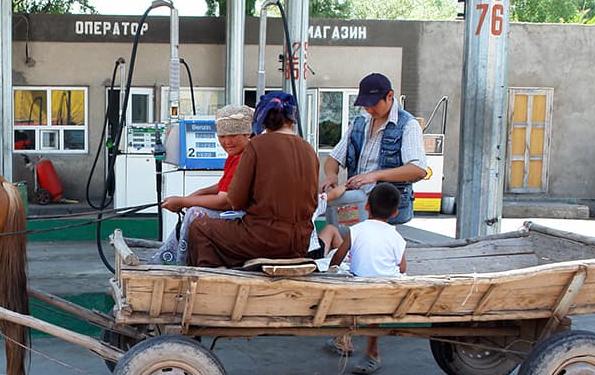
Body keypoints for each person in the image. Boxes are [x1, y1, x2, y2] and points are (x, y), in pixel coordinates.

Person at [187, 92, 319, 268]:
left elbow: (235, 200)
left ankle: (211, 282)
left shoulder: (257, 146)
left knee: (199, 227)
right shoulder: (309, 149)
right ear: (292, 119)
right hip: (300, 243)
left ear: (261, 120)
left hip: (263, 240)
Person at [321, 72, 427, 226]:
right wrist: (331, 175)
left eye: (373, 104)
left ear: (389, 96)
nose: (369, 109)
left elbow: (418, 170)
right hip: (358, 208)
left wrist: (375, 176)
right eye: (365, 104)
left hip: (389, 214)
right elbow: (334, 158)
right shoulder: (359, 122)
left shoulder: (408, 125)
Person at [326, 182, 408, 375]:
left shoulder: (357, 230)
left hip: (359, 291)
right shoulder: (396, 236)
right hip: (386, 292)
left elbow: (339, 256)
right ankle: (371, 351)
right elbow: (402, 267)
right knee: (374, 297)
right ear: (395, 213)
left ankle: (344, 337)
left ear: (366, 206)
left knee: (348, 286)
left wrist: (332, 267)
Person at [155, 104, 253, 264]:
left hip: (246, 219)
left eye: (233, 135)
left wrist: (184, 201)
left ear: (247, 133)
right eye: (222, 136)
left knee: (195, 213)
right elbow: (225, 184)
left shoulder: (245, 157)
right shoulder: (236, 155)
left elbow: (224, 200)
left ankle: (178, 262)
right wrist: (198, 193)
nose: (227, 142)